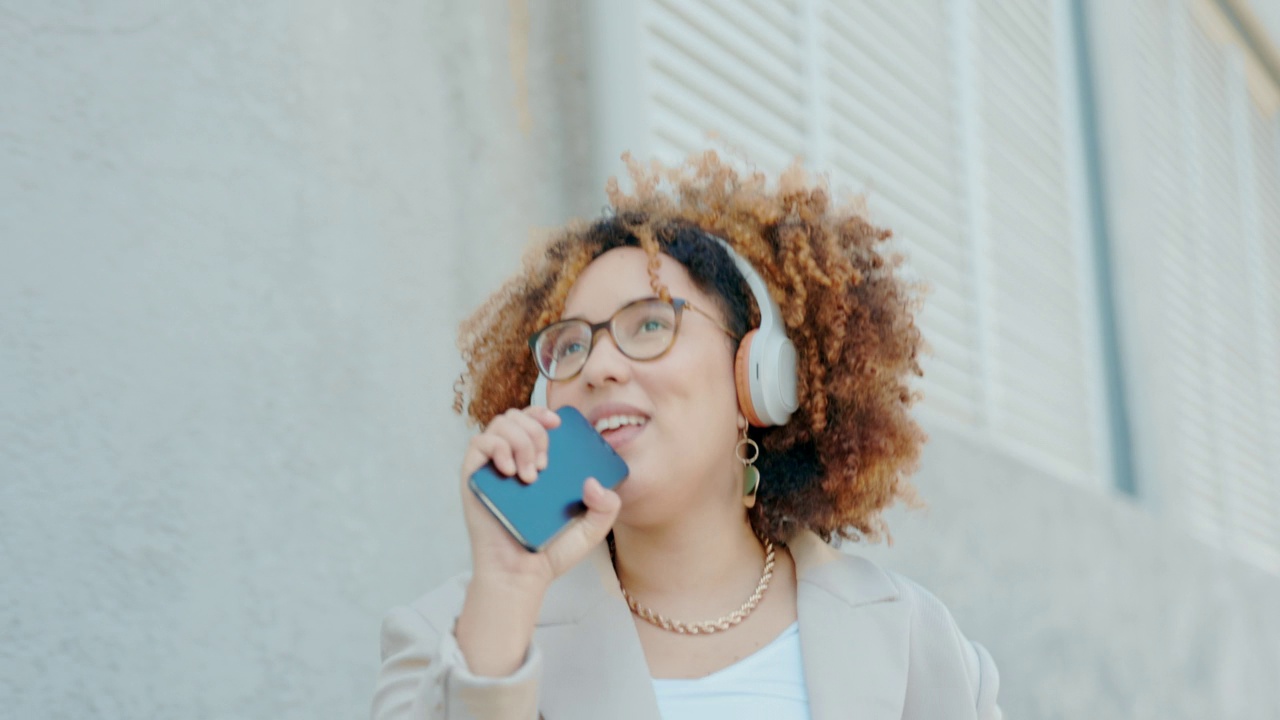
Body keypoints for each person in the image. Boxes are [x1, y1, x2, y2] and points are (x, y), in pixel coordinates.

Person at [372, 153, 1002, 720]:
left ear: (756, 379)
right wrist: (507, 594)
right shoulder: (449, 638)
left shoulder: (922, 647)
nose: (598, 367)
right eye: (570, 346)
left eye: (649, 325)